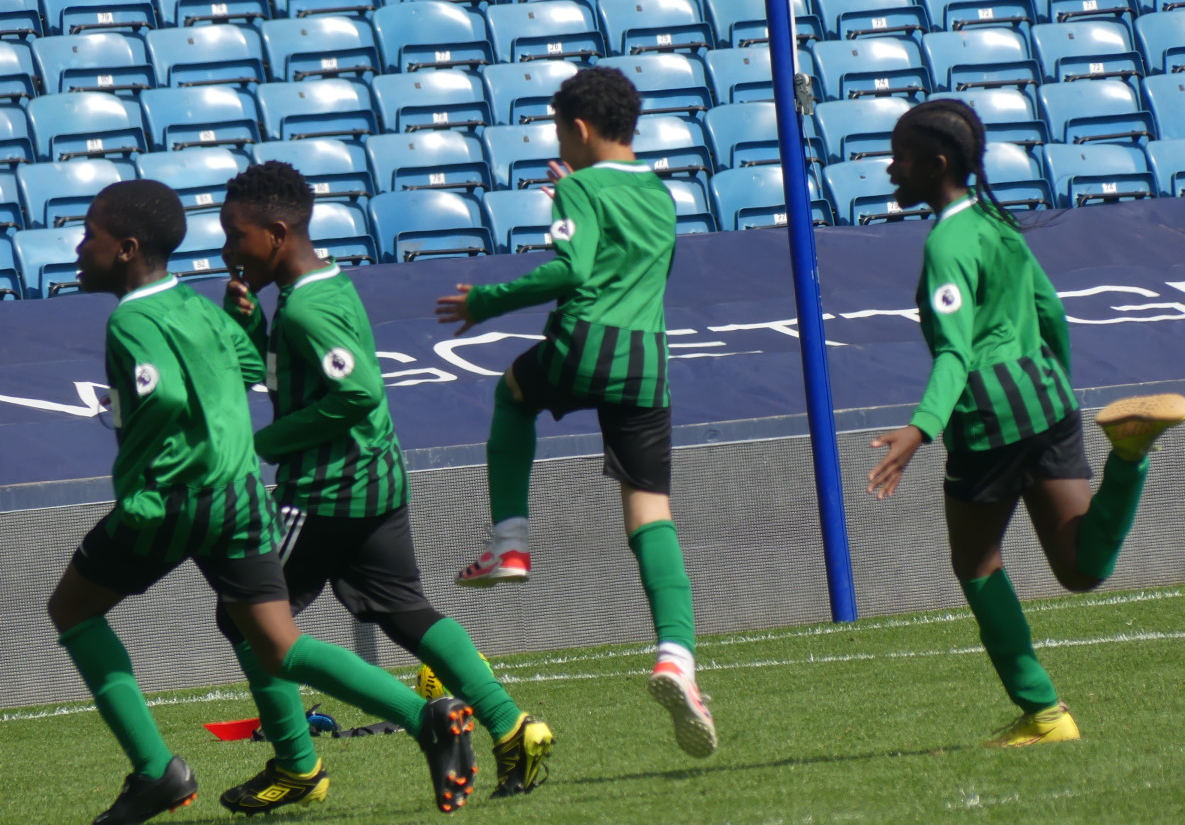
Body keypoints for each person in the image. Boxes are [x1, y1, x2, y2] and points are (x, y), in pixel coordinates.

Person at [47, 180, 476, 825]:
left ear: (127, 249)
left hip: (174, 501)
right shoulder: (198, 307)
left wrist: (138, 458)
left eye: (91, 236)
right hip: (244, 496)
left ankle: (156, 770)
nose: (80, 247)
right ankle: (428, 718)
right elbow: (252, 364)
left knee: (72, 609)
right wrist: (244, 327)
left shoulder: (131, 318)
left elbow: (159, 396)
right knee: (277, 642)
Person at [216, 161, 553, 811]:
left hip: (326, 492)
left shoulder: (308, 310)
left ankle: (298, 766)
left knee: (245, 616)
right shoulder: (320, 289)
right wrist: (247, 330)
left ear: (277, 232)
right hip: (376, 479)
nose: (229, 250)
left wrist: (263, 444)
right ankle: (514, 727)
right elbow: (296, 384)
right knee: (406, 611)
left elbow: (355, 393)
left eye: (237, 236)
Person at [867, 99, 1185, 747]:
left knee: (976, 561)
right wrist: (1058, 388)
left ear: (936, 164)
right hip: (1045, 398)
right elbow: (1050, 311)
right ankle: (1127, 459)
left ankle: (1044, 713)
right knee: (1079, 568)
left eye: (900, 156)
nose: (889, 167)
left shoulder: (947, 244)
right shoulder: (997, 223)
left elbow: (956, 352)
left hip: (987, 419)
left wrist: (920, 428)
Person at [436, 67, 717, 759]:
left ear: (579, 130)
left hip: (583, 343)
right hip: (646, 358)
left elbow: (572, 271)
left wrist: (486, 302)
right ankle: (676, 655)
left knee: (512, 392)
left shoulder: (578, 186)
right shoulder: (660, 192)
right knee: (651, 513)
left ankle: (510, 541)